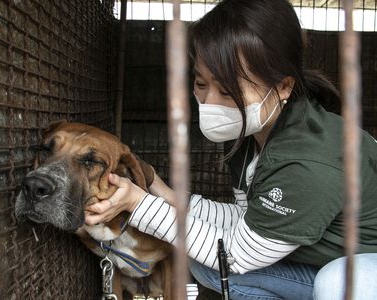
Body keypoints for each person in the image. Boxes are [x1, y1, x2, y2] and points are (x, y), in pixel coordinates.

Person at [85, 0, 377, 299]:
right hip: (335, 254)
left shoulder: (306, 163)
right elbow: (246, 222)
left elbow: (238, 256)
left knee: (338, 283)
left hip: (366, 265)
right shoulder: (252, 132)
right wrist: (158, 190)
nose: (210, 102)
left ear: (284, 87)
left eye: (228, 91)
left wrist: (138, 204)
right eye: (200, 83)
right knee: (205, 261)